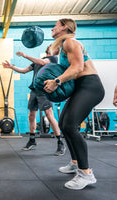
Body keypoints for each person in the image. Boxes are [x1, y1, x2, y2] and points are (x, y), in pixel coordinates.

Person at [43, 18, 104, 190]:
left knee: (70, 125)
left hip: (90, 86)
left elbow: (77, 68)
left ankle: (86, 173)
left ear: (64, 27)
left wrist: (56, 81)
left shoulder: (70, 42)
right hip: (80, 87)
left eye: (55, 25)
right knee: (63, 124)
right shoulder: (63, 47)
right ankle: (75, 162)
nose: (52, 28)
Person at [2, 45, 66, 156]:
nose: (52, 46)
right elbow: (24, 71)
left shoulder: (53, 59)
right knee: (31, 115)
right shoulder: (36, 61)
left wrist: (25, 55)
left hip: (45, 90)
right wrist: (11, 66)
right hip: (34, 90)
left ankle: (60, 142)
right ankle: (32, 140)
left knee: (49, 114)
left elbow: (42, 62)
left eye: (54, 46)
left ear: (56, 50)